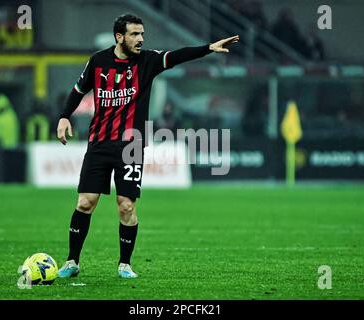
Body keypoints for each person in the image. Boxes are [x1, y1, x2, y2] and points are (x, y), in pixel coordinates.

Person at [56, 14, 239, 279]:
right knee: (85, 202)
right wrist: (64, 116)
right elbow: (77, 89)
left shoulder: (148, 61)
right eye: (134, 34)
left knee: (126, 205)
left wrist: (208, 48)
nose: (141, 39)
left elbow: (177, 56)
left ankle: (124, 264)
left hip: (131, 145)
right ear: (119, 37)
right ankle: (72, 261)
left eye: (142, 34)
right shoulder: (98, 61)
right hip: (99, 143)